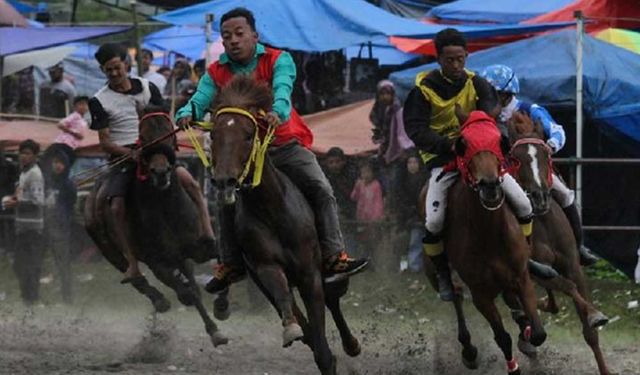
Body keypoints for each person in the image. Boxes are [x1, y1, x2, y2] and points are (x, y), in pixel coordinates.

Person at [176, 7, 368, 291]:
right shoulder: (216, 71)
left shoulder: (279, 59)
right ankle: (230, 264)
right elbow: (201, 97)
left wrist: (278, 109)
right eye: (226, 36)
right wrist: (187, 111)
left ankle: (334, 254)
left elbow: (282, 89)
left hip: (284, 145)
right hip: (244, 156)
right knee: (225, 198)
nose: (233, 40)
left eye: (240, 34)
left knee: (321, 188)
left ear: (254, 36)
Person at [403, 28, 556, 301]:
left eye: (460, 59)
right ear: (438, 59)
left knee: (522, 203)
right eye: (449, 60)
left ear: (466, 56)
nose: (456, 65)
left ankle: (526, 259)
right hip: (444, 161)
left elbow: (490, 106)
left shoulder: (476, 83)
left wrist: (476, 132)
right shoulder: (421, 91)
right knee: (434, 220)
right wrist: (449, 144)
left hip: (481, 157)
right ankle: (443, 275)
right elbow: (415, 129)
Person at [89, 43, 216, 283]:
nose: (114, 73)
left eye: (117, 67)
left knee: (191, 184)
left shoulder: (149, 87)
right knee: (116, 207)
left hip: (156, 151)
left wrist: (165, 145)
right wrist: (132, 153)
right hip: (124, 158)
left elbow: (162, 120)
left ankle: (207, 234)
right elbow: (105, 142)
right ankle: (133, 264)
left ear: (125, 63)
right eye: (108, 70)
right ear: (102, 71)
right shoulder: (98, 100)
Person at [480, 64, 599, 266]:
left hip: (531, 167)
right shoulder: (483, 114)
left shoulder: (529, 109)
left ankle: (579, 247)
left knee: (565, 194)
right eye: (490, 93)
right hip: (501, 170)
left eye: (497, 93)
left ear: (508, 92)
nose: (492, 97)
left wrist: (550, 146)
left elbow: (556, 130)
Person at [2, 140, 45, 305]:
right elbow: (22, 196)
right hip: (22, 225)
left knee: (30, 265)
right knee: (20, 264)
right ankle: (28, 297)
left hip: (33, 227)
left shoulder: (35, 174)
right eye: (22, 153)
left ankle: (32, 299)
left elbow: (38, 201)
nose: (23, 156)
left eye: (27, 153)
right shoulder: (23, 173)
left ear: (34, 156)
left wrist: (16, 203)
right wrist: (13, 199)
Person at [45, 150, 76, 304]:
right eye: (55, 162)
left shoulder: (68, 184)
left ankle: (66, 295)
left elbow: (70, 203)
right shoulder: (48, 182)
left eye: (61, 163)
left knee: (63, 262)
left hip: (61, 227)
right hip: (46, 225)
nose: (57, 166)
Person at [398, 153, 428, 273]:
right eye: (409, 163)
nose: (412, 166)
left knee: (417, 241)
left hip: (421, 216)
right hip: (408, 217)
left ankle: (416, 266)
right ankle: (412, 266)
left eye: (415, 162)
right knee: (409, 243)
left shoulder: (424, 179)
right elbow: (401, 199)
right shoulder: (403, 180)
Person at [323, 147, 358, 253]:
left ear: (344, 161)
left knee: (350, 236)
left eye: (337, 161)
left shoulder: (352, 174)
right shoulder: (324, 177)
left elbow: (354, 196)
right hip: (332, 214)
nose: (334, 165)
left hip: (351, 214)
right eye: (331, 162)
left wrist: (345, 211)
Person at [350, 160, 385, 262]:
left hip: (372, 219)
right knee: (362, 240)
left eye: (368, 172)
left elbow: (378, 202)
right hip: (361, 217)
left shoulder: (376, 185)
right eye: (363, 172)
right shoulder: (360, 185)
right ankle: (363, 259)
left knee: (373, 241)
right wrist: (356, 187)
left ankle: (373, 261)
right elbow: (353, 197)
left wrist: (376, 217)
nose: (365, 175)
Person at [46, 96, 89, 167]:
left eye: (85, 104)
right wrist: (73, 132)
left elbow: (80, 136)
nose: (83, 106)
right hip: (64, 144)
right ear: (75, 106)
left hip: (71, 146)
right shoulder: (74, 116)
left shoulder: (83, 121)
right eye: (81, 104)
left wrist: (78, 135)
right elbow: (60, 124)